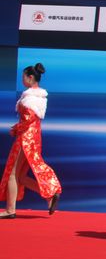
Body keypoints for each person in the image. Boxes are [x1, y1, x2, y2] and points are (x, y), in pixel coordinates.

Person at [0, 63, 61, 219]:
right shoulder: (40, 96)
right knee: (21, 176)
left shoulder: (30, 97)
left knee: (12, 173)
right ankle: (49, 196)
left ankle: (10, 210)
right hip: (34, 137)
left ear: (30, 77)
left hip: (25, 138)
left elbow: (29, 118)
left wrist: (16, 128)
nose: (22, 80)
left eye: (23, 77)